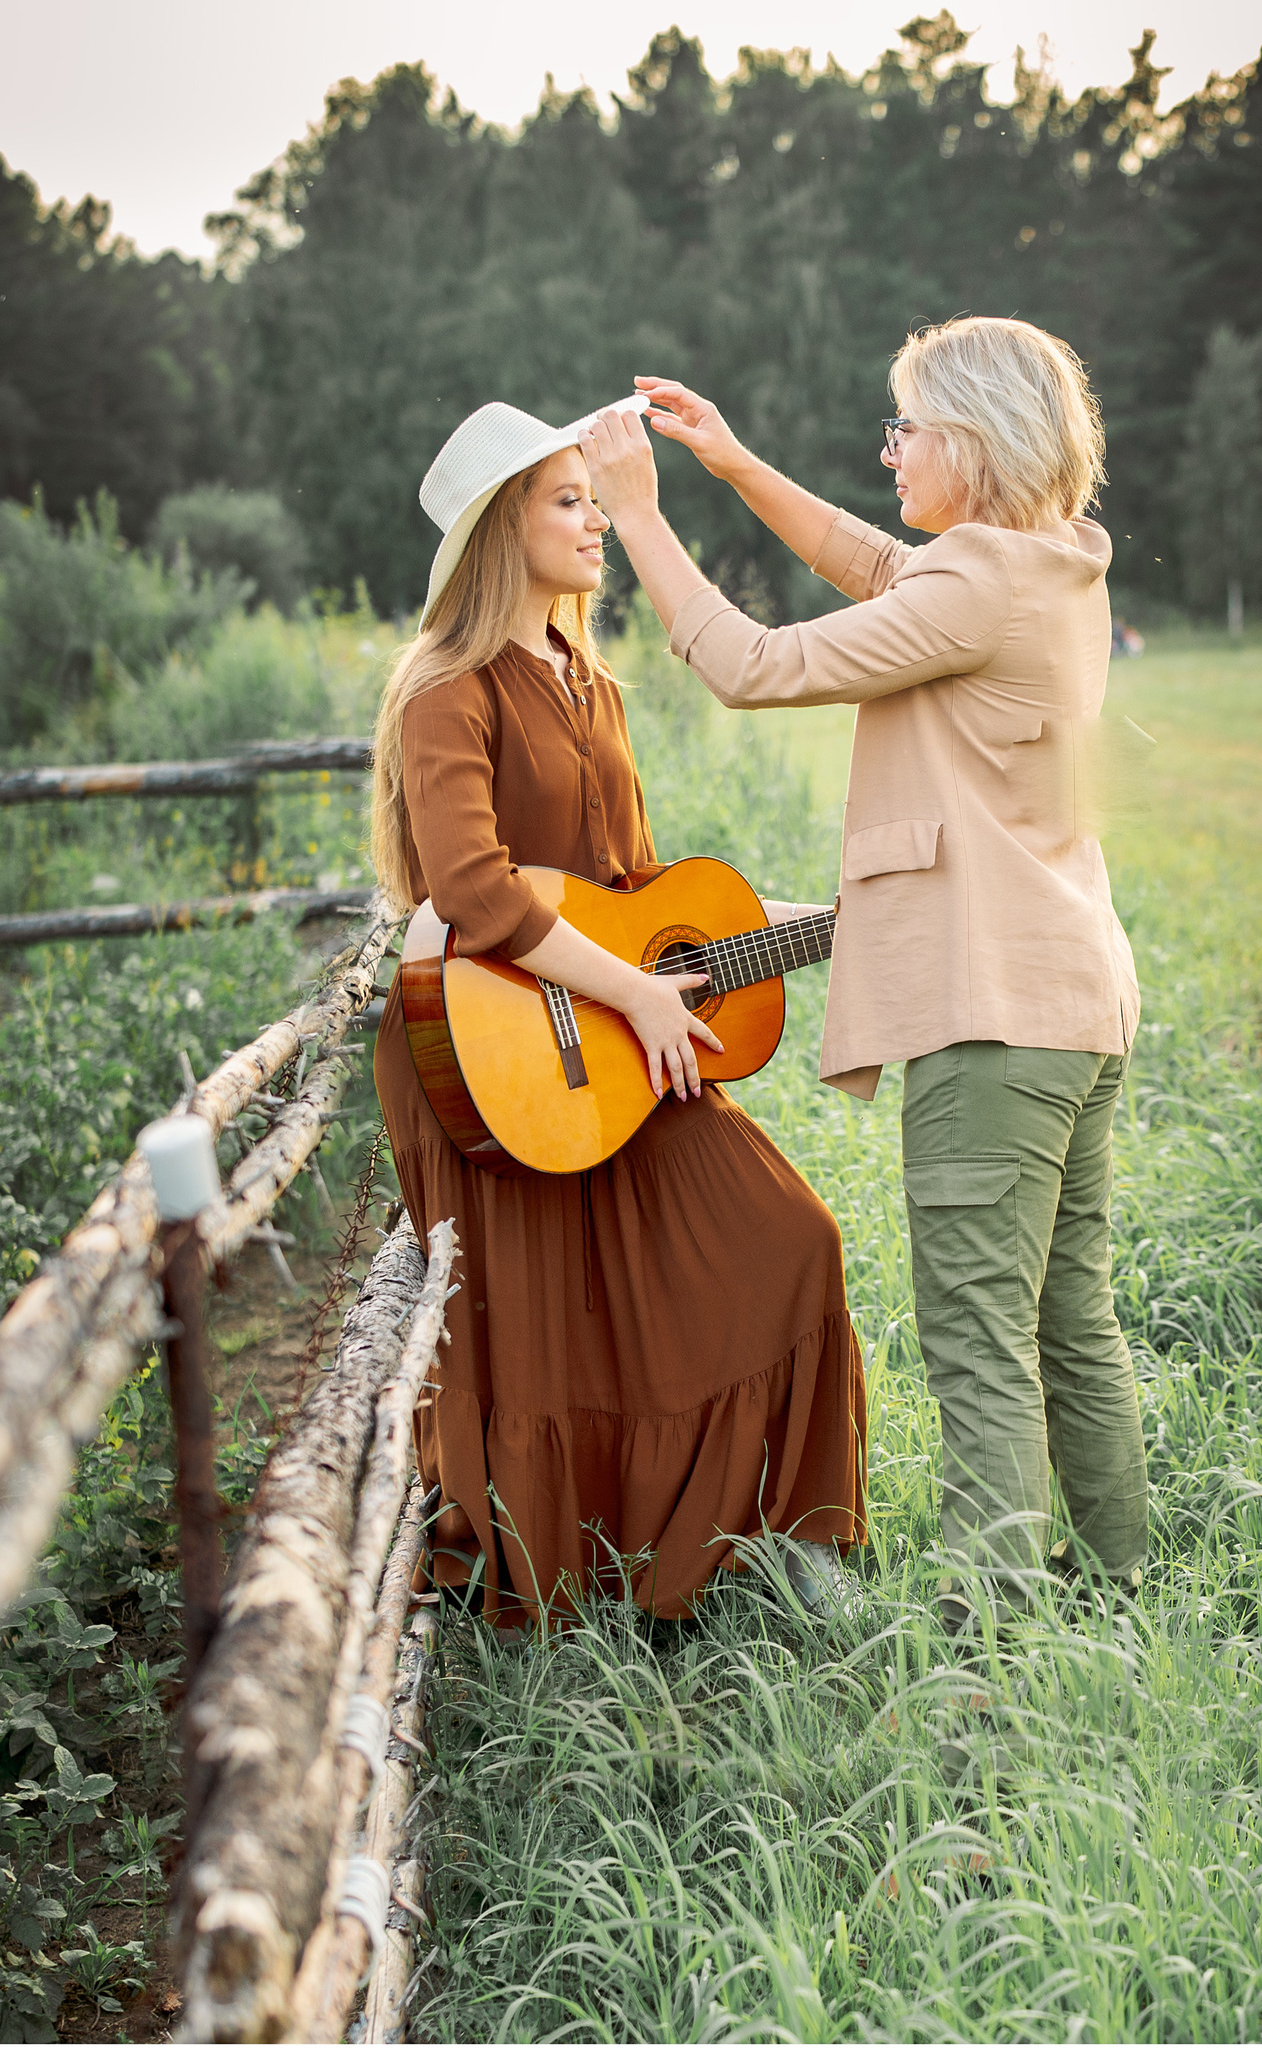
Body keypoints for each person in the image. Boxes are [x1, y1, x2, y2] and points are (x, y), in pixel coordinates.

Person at [580, 315, 1148, 1624]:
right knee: (1070, 1322)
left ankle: (989, 1635)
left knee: (979, 1346)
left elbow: (751, 663)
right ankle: (1123, 1592)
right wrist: (733, 463)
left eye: (906, 429)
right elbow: (882, 563)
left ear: (973, 442)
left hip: (992, 1013)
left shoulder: (978, 586)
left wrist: (640, 513)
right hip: (1073, 1002)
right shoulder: (1047, 566)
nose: (888, 451)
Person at [367, 400, 866, 1627]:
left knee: (787, 1238)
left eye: (595, 499)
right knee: (550, 1324)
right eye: (568, 501)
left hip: (613, 1034)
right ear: (502, 531)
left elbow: (633, 886)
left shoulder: (590, 680)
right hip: (488, 1051)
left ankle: (755, 1552)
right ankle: (575, 1570)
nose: (597, 523)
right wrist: (637, 989)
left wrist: (836, 912)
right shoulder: (449, 687)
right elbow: (470, 888)